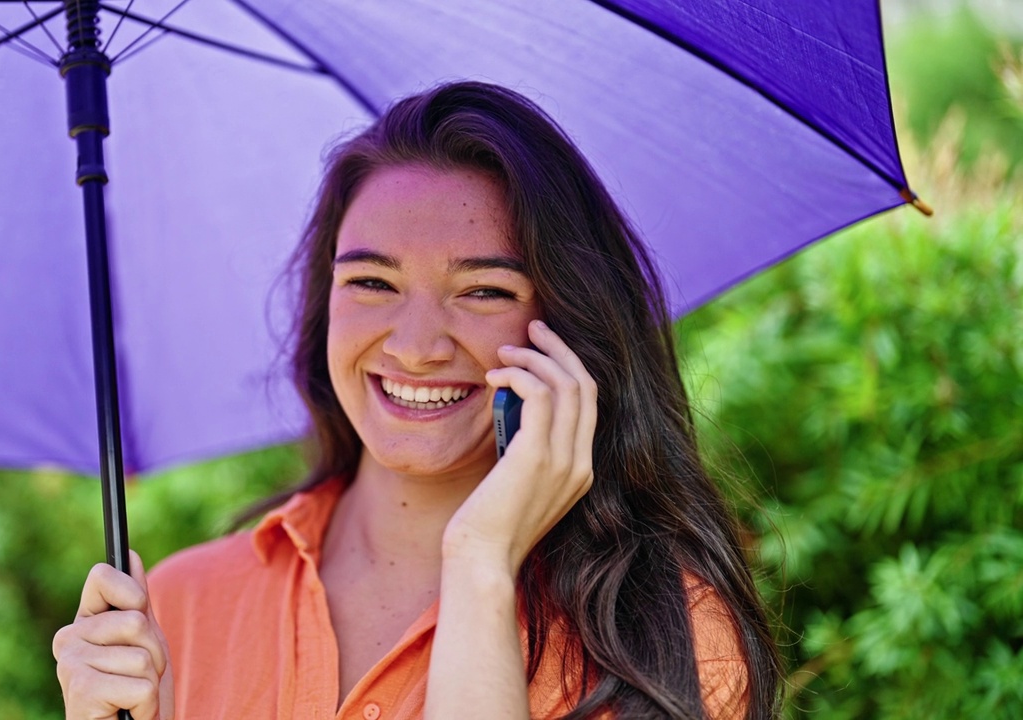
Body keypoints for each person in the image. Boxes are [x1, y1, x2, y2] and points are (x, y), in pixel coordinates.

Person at [53, 81, 781, 719]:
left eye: (483, 291)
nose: (416, 345)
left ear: (565, 329)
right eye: (372, 282)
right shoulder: (176, 610)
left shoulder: (665, 640)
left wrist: (480, 565)